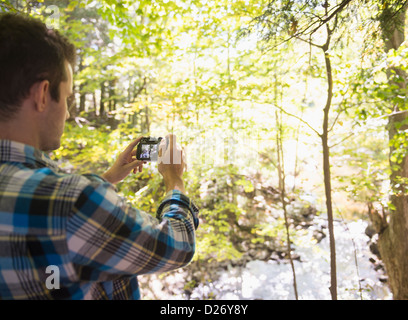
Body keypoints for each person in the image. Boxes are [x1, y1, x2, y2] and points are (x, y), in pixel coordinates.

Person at [0, 12, 199, 300]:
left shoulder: (54, 198)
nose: (68, 113)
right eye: (67, 98)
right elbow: (177, 247)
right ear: (43, 94)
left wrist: (108, 178)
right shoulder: (71, 203)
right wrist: (174, 181)